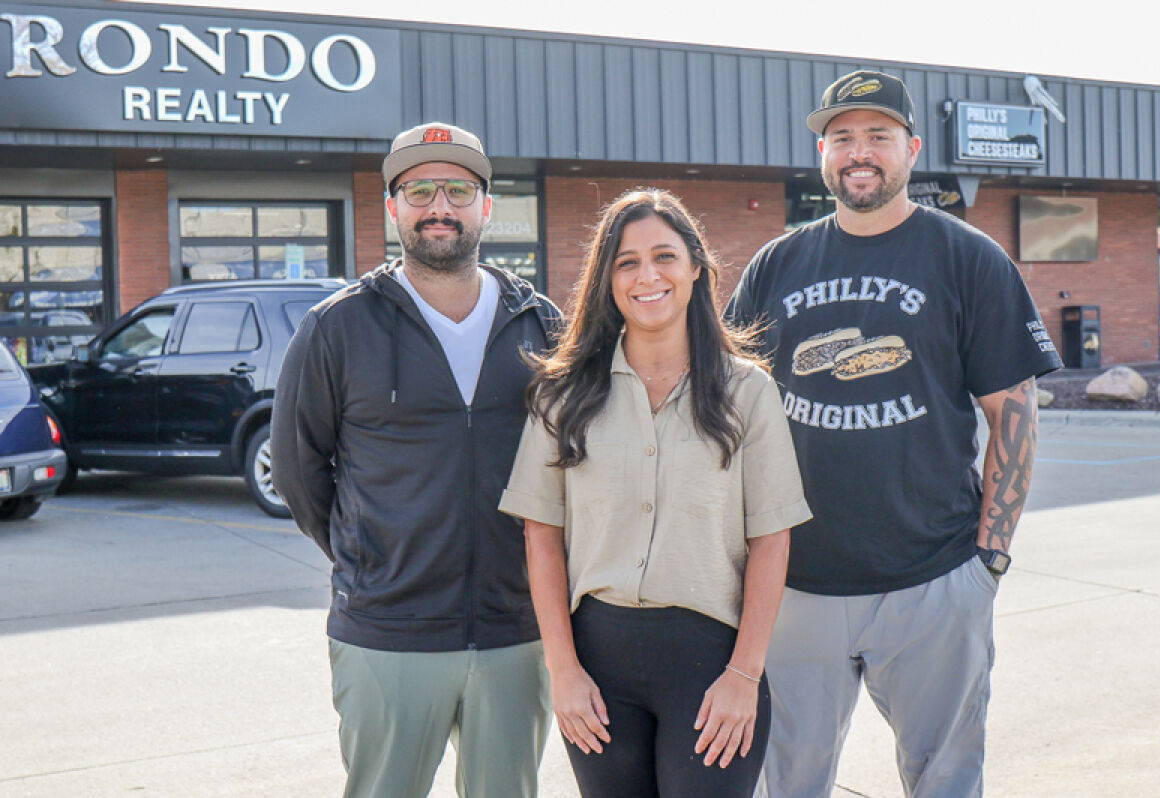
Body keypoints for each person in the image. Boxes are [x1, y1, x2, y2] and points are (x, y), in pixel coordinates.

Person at [726, 71, 1063, 798]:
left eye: (878, 135)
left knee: (944, 780)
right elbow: (723, 407)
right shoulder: (776, 265)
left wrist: (988, 563)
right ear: (822, 152)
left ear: (910, 148)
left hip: (933, 580)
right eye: (841, 137)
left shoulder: (968, 258)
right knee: (786, 783)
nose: (859, 152)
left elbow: (1013, 411)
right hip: (795, 585)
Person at [271, 121, 558, 798]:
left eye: (458, 189)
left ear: (487, 207)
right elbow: (297, 470)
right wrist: (371, 556)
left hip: (517, 629)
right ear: (392, 207)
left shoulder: (542, 323)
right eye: (419, 189)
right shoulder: (336, 328)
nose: (439, 206)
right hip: (388, 634)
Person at [499, 188, 811, 798]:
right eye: (627, 262)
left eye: (664, 256)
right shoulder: (562, 395)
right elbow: (542, 537)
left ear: (697, 268)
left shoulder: (748, 392)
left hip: (711, 668)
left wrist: (743, 676)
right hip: (596, 668)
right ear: (607, 282)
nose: (648, 276)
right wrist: (562, 672)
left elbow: (772, 541)